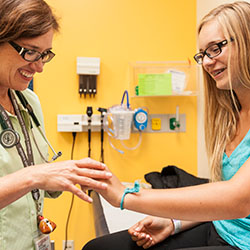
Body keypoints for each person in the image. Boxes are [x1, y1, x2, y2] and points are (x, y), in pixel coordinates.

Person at [82, 1, 250, 250]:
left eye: (215, 48)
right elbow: (222, 197)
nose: (206, 62)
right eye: (203, 54)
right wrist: (174, 223)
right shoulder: (230, 115)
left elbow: (238, 200)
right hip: (221, 227)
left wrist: (125, 196)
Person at [0, 0, 112, 249]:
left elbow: (34, 170)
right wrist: (33, 177)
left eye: (44, 55)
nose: (39, 66)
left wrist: (68, 175)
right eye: (30, 52)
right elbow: (31, 176)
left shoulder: (27, 101)